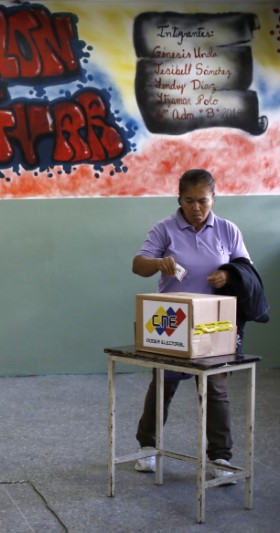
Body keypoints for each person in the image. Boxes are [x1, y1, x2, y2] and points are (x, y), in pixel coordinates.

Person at [131, 168, 251, 483]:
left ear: (213, 199)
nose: (196, 208)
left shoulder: (227, 230)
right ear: (179, 199)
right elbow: (138, 264)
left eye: (203, 201)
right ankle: (147, 447)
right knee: (162, 386)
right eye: (189, 201)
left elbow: (246, 269)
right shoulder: (165, 229)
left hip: (214, 325)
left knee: (216, 389)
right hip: (171, 322)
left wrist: (229, 275)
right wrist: (159, 263)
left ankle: (221, 458)